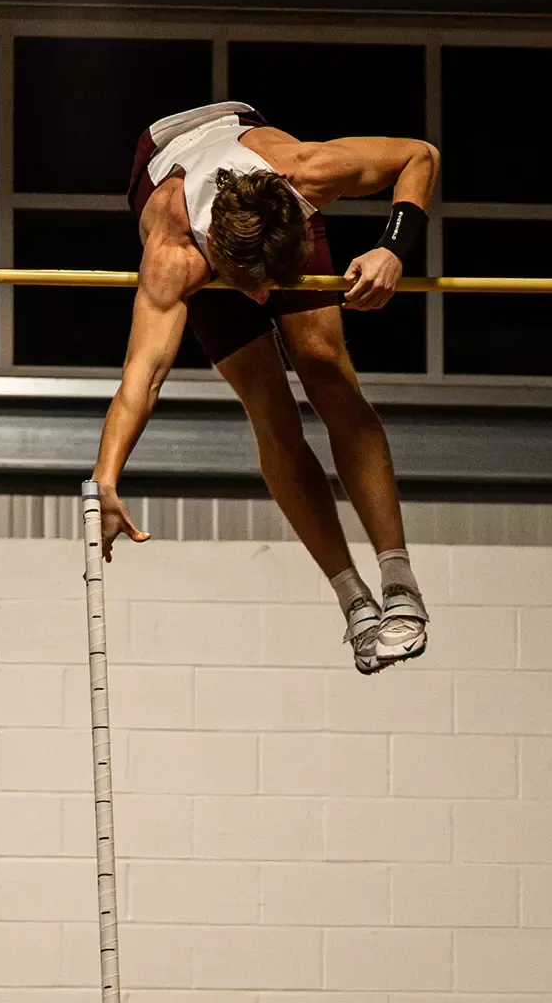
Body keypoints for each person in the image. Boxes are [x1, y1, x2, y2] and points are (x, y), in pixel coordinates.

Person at [91, 101, 439, 675]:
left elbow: (419, 155)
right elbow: (143, 377)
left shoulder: (307, 171)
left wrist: (393, 248)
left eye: (273, 286)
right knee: (270, 408)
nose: (262, 301)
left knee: (327, 371)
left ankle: (399, 582)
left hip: (249, 157)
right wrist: (104, 480)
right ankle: (354, 600)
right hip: (168, 174)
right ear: (218, 258)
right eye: (249, 287)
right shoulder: (174, 254)